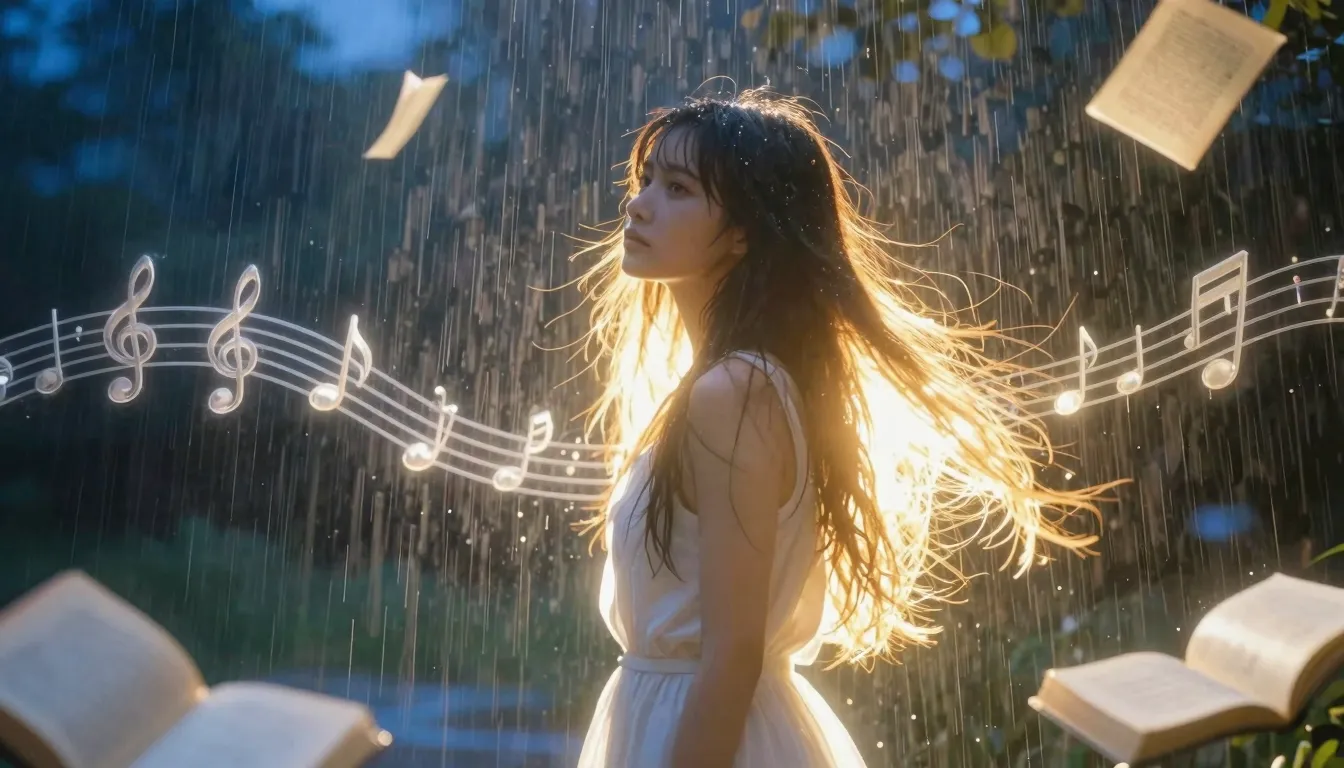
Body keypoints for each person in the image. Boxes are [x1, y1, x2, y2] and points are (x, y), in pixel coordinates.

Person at [571, 88, 1115, 768]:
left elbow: (732, 655)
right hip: (684, 720)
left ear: (743, 231)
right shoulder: (734, 385)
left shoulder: (733, 394)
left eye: (677, 188)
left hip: (706, 734)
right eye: (646, 179)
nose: (638, 204)